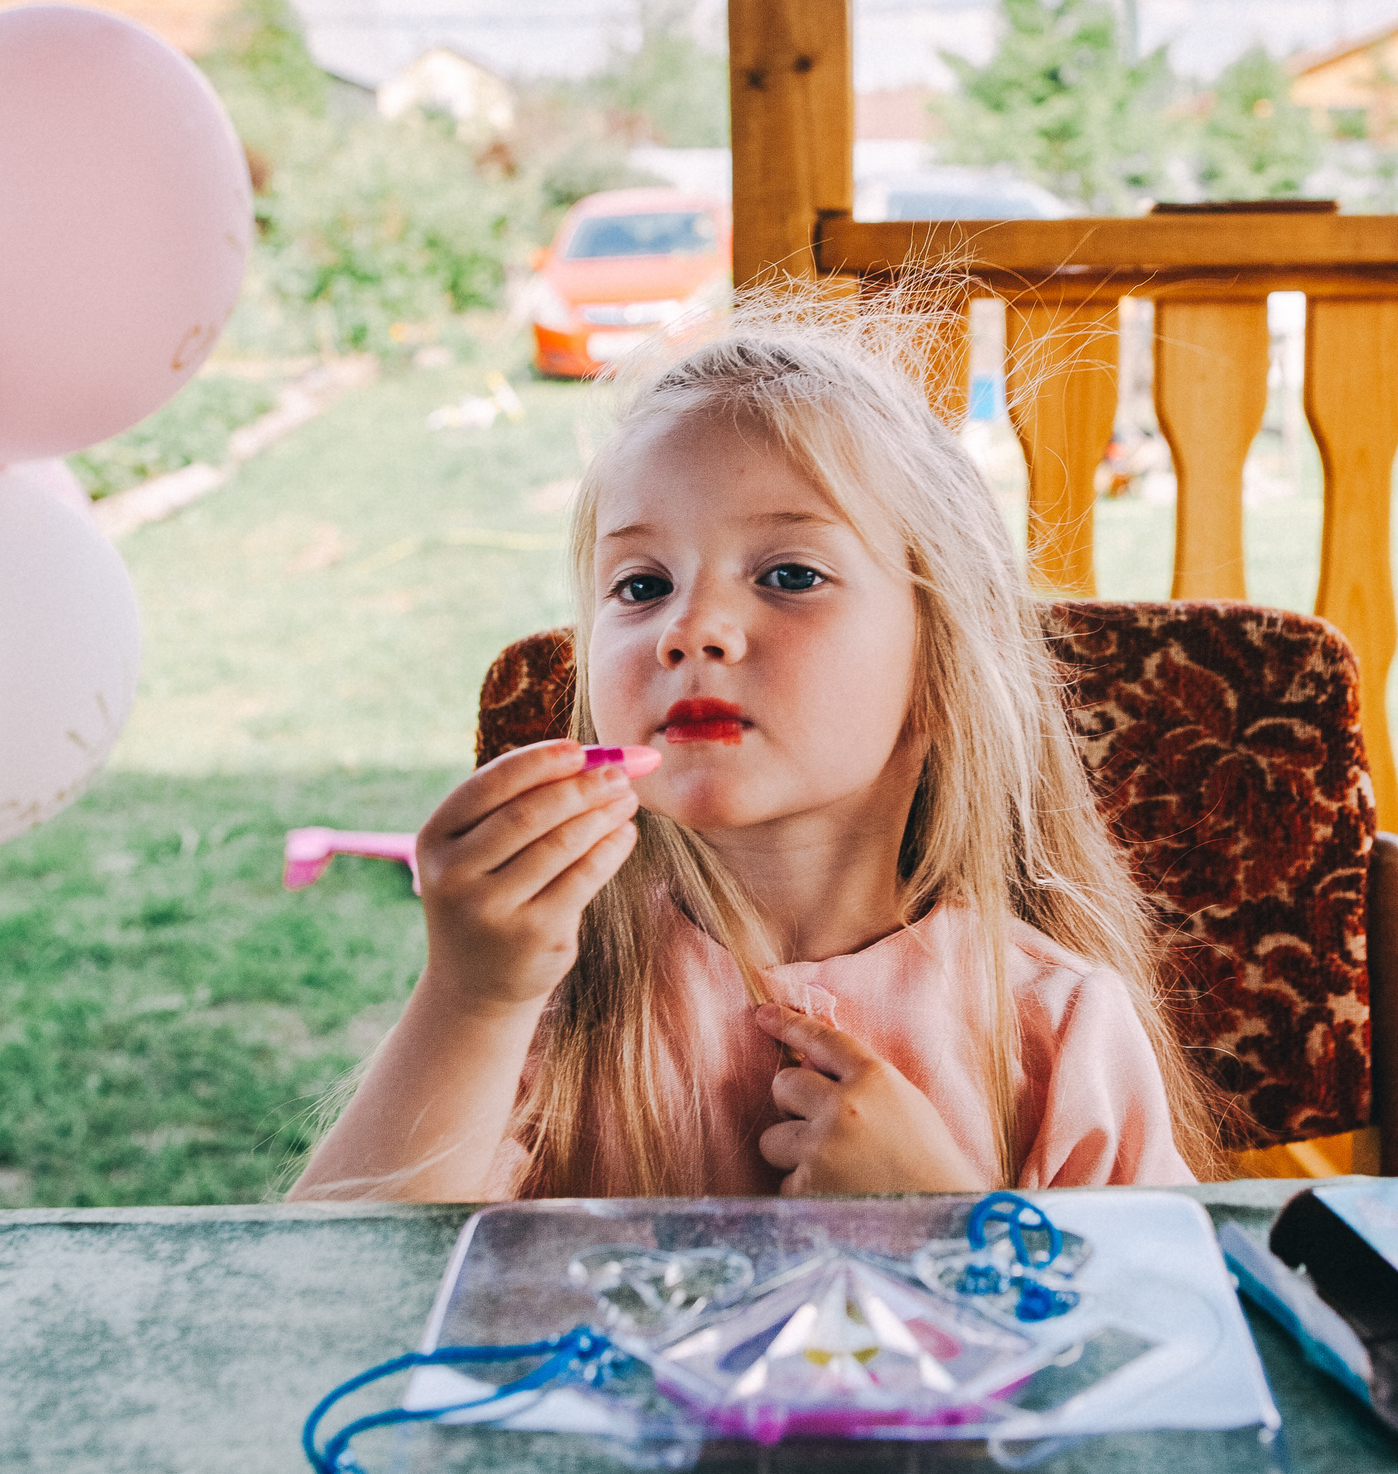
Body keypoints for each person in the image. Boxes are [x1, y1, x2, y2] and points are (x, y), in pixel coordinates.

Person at [291, 312, 1231, 1201]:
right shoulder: (550, 992)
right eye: (642, 584)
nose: (690, 627)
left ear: (944, 667)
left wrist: (950, 1217)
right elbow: (331, 1308)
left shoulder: (1057, 1029)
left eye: (790, 575)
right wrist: (469, 997)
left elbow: (1148, 1344)